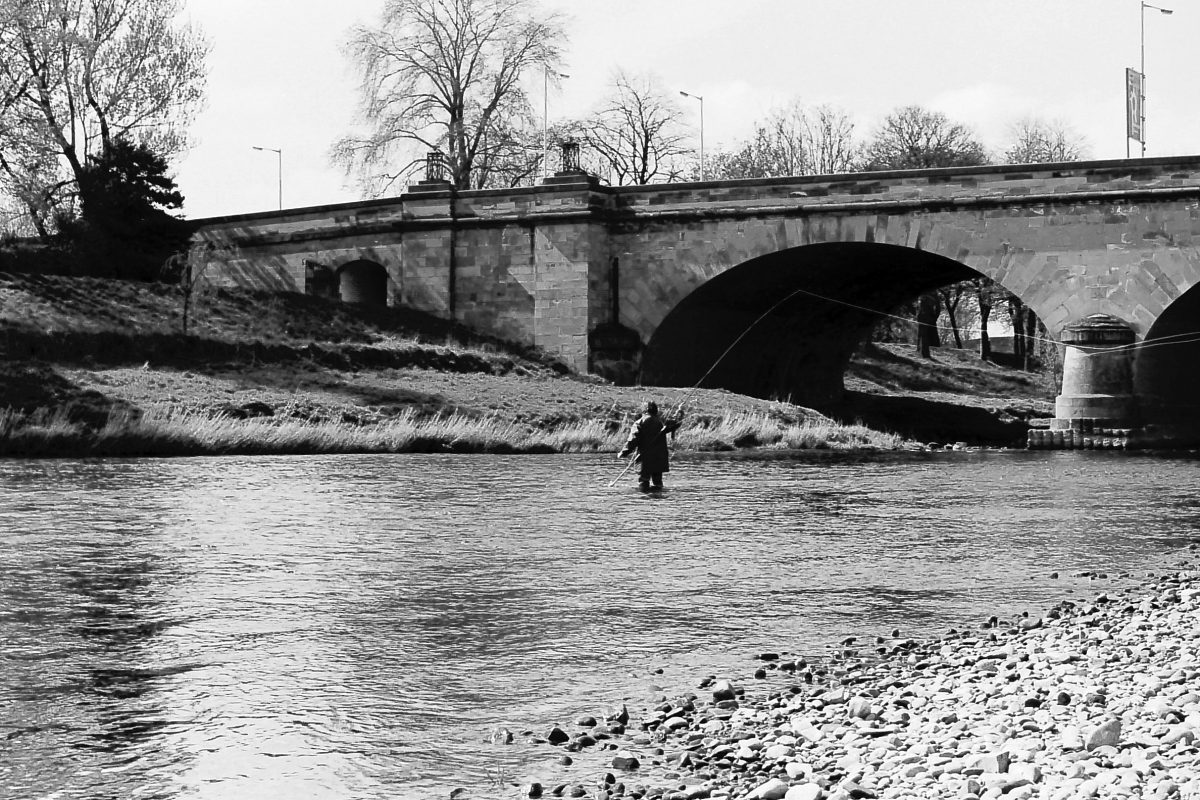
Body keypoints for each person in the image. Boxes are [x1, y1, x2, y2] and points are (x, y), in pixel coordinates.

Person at [618, 401, 683, 492]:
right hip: (659, 458)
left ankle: (645, 500)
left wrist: (623, 453)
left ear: (644, 410)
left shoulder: (639, 423)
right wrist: (680, 412)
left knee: (644, 481)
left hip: (645, 458)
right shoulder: (662, 422)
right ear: (656, 410)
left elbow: (632, 440)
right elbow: (676, 424)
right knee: (658, 483)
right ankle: (657, 500)